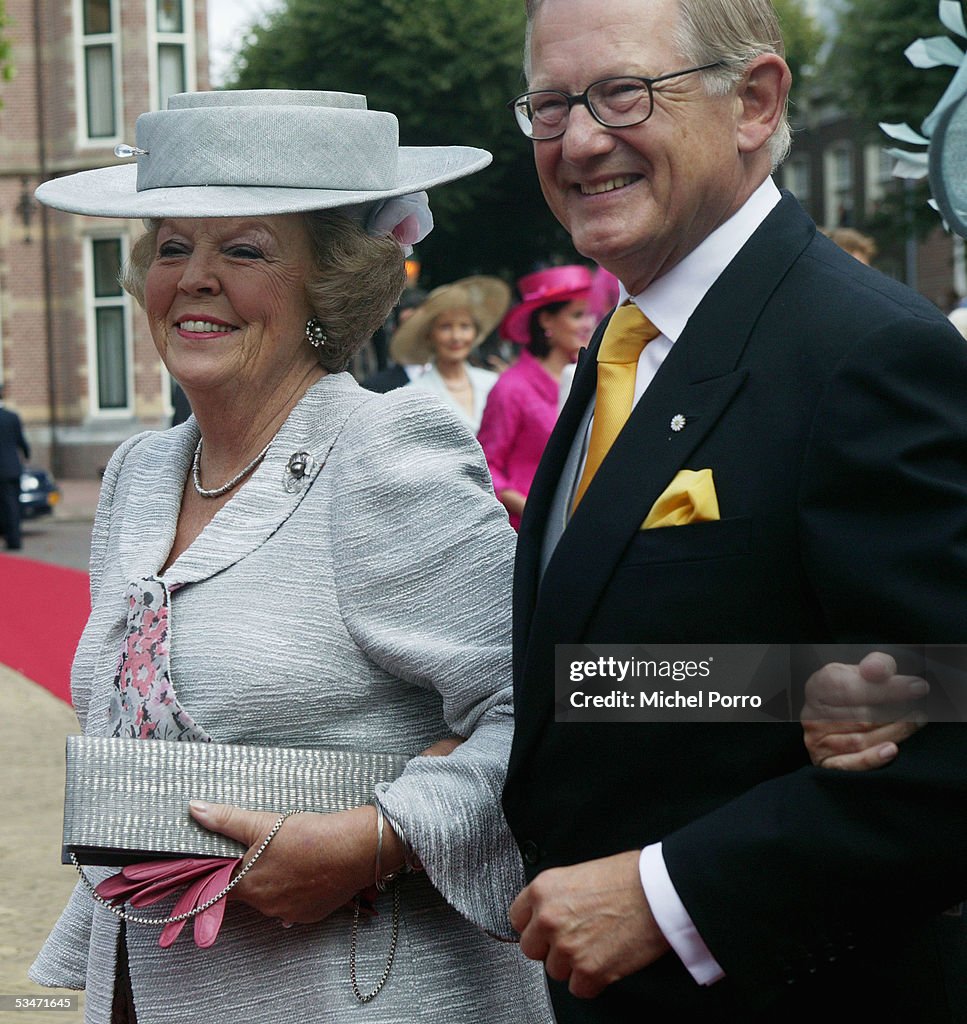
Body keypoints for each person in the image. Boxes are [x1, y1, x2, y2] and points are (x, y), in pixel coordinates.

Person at [29, 89, 552, 1023]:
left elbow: (540, 705)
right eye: (173, 247)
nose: (194, 277)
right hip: (153, 988)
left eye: (244, 249)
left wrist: (377, 838)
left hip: (361, 994)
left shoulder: (385, 454)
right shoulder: (140, 473)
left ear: (328, 287)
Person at [501, 1, 967, 1021]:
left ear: (754, 101)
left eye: (622, 93)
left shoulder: (867, 354)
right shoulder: (629, 341)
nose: (579, 141)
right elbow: (606, 668)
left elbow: (952, 735)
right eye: (549, 105)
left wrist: (669, 897)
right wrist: (781, 682)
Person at [478, 265, 595, 528]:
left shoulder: (591, 380)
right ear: (546, 320)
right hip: (524, 531)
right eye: (578, 315)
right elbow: (487, 468)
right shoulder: (511, 388)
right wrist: (534, 510)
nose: (589, 324)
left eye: (592, 314)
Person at [390, 276, 510, 433]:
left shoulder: (493, 383)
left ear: (475, 332)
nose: (456, 337)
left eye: (465, 326)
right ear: (429, 335)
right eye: (445, 327)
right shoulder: (415, 395)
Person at [361, 286, 429, 393]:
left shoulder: (457, 380)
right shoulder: (375, 388)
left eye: (422, 325)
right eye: (408, 324)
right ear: (395, 330)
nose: (416, 332)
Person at [0, 385, 30, 550]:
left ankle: (11, 539)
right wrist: (26, 456)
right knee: (13, 504)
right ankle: (14, 538)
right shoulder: (12, 417)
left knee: (6, 506)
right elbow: (22, 442)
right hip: (13, 467)